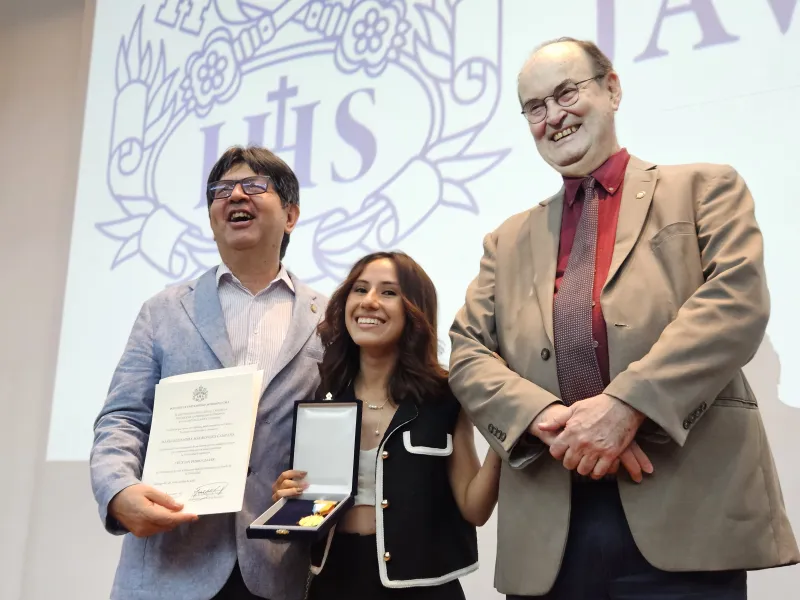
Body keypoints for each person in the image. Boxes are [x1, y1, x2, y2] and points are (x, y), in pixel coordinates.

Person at [448, 37, 799, 599]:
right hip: (548, 528)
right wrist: (548, 420)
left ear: (611, 89)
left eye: (567, 93)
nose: (553, 116)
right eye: (535, 107)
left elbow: (737, 301)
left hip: (688, 511)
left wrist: (625, 406)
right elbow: (466, 351)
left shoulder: (704, 188)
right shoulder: (506, 240)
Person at [90, 145, 327, 600]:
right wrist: (118, 490)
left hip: (278, 571)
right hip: (169, 565)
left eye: (254, 186)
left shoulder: (328, 318)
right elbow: (122, 419)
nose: (235, 195)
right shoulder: (163, 311)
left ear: (291, 215)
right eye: (221, 190)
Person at [272, 251, 501, 600]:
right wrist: (288, 498)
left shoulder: (444, 396)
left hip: (423, 587)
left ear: (415, 308)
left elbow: (475, 507)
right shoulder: (323, 396)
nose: (369, 302)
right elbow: (311, 509)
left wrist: (506, 440)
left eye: (389, 292)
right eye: (360, 290)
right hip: (335, 582)